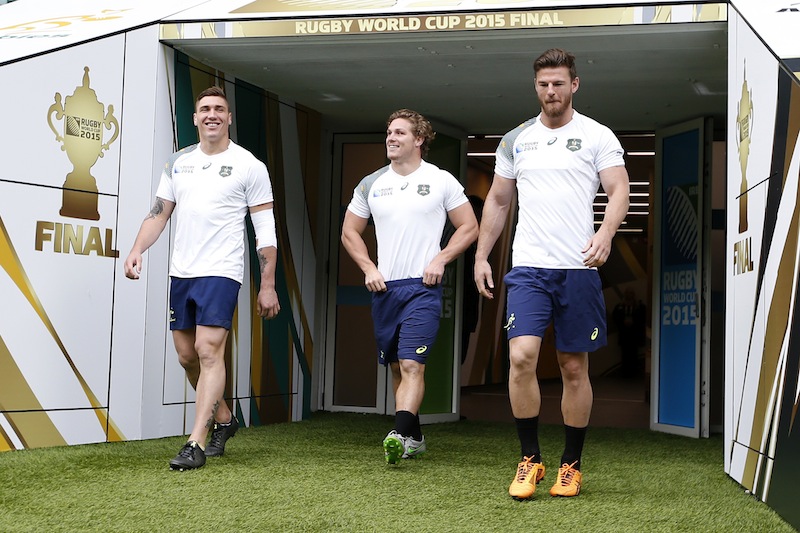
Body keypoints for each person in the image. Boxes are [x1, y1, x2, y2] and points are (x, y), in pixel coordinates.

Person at [473, 49, 629, 499]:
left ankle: (571, 464)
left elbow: (620, 188)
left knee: (572, 366)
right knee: (521, 357)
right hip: (528, 268)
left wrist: (605, 234)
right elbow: (499, 202)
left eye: (559, 83)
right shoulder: (515, 140)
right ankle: (530, 459)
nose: (551, 91)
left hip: (577, 267)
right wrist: (483, 255)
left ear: (574, 85)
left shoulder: (597, 134)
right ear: (535, 87)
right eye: (543, 84)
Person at [123, 86, 280, 471]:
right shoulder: (177, 163)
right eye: (205, 109)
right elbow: (159, 213)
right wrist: (136, 250)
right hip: (183, 272)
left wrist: (269, 283)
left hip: (222, 271)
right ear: (195, 118)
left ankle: (195, 442)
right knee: (187, 356)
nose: (212, 114)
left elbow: (266, 229)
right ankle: (225, 420)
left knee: (210, 351)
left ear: (229, 118)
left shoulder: (249, 165)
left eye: (219, 109)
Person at [341, 109, 478, 464]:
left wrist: (441, 259)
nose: (391, 137)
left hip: (422, 287)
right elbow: (349, 232)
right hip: (385, 290)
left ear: (419, 139)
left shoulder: (441, 180)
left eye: (400, 132)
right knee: (397, 368)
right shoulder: (371, 184)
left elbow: (468, 227)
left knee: (412, 364)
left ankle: (399, 434)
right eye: (389, 132)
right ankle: (414, 435)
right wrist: (368, 267)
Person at [612, 288, 646, 378]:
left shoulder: (638, 306)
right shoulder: (620, 306)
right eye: (627, 293)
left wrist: (633, 321)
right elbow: (614, 317)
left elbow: (644, 316)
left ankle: (634, 373)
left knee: (634, 354)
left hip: (634, 334)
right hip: (624, 334)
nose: (629, 295)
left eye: (631, 293)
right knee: (624, 354)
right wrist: (623, 321)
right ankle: (625, 374)